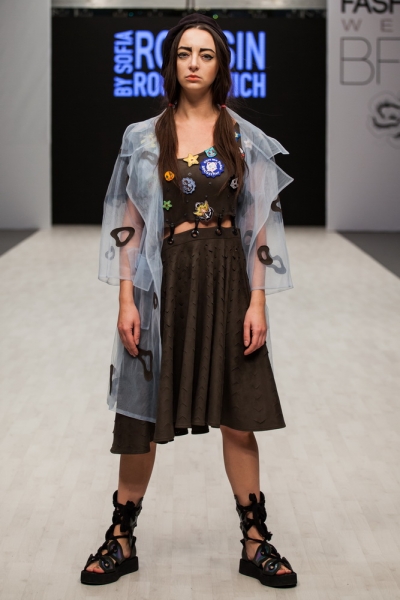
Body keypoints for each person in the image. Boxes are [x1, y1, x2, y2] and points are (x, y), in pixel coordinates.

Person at [81, 13, 297, 589]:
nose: (194, 63)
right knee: (140, 415)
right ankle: (120, 537)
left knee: (240, 416)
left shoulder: (243, 137)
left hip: (227, 279)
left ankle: (256, 542)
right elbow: (127, 223)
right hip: (161, 283)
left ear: (220, 64)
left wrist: (258, 301)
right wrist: (126, 299)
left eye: (205, 53)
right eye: (184, 53)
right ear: (171, 63)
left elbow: (259, 224)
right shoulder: (143, 137)